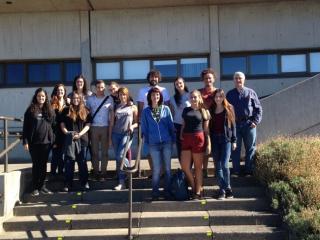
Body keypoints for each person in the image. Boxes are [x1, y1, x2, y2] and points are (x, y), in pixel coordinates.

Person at [141, 87, 175, 201]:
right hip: (153, 144)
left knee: (168, 169)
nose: (155, 97)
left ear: (160, 97)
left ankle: (168, 192)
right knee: (156, 169)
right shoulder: (146, 111)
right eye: (153, 95)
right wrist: (148, 142)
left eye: (157, 95)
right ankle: (155, 193)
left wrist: (172, 139)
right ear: (149, 97)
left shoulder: (165, 108)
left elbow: (171, 125)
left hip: (166, 142)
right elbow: (144, 128)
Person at [226, 72, 263, 176]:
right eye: (236, 78)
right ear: (233, 80)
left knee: (250, 148)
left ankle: (248, 171)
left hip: (249, 124)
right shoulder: (230, 94)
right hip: (235, 125)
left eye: (240, 78)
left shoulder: (251, 92)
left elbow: (258, 109)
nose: (238, 80)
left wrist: (255, 121)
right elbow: (227, 111)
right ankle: (236, 171)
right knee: (235, 148)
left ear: (244, 79)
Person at [137, 70, 170, 176]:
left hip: (162, 125)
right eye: (151, 77)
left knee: (163, 150)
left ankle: (163, 172)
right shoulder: (143, 91)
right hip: (148, 124)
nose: (153, 79)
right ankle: (154, 171)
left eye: (155, 77)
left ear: (158, 78)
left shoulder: (164, 90)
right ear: (149, 78)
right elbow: (140, 108)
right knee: (149, 150)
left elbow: (168, 107)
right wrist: (141, 124)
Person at [23, 88, 55, 196]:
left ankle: (42, 187)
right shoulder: (31, 110)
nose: (41, 98)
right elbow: (25, 127)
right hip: (34, 143)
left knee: (44, 165)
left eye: (43, 96)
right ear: (36, 97)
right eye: (39, 96)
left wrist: (53, 139)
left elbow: (53, 125)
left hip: (46, 143)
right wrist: (25, 141)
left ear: (45, 98)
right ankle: (35, 188)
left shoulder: (49, 110)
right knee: (36, 165)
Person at [180, 90, 210, 199]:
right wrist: (181, 134)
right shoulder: (186, 110)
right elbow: (183, 124)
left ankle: (197, 192)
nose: (193, 99)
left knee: (198, 167)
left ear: (199, 98)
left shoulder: (204, 111)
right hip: (186, 138)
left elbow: (206, 130)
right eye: (191, 97)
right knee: (185, 166)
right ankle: (194, 186)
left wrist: (208, 144)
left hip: (198, 138)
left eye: (195, 97)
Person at [60, 92, 91, 192]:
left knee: (82, 162)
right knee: (69, 162)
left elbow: (88, 125)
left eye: (77, 98)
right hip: (69, 140)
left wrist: (80, 134)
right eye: (73, 98)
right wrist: (67, 133)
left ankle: (84, 183)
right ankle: (68, 184)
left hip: (82, 140)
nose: (76, 99)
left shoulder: (86, 110)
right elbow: (62, 124)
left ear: (80, 99)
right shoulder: (65, 110)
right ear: (71, 99)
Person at [210, 89, 237, 200]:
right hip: (215, 140)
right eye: (216, 97)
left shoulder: (229, 108)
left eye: (220, 96)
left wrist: (234, 140)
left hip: (226, 139)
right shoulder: (211, 109)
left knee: (225, 165)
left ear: (223, 97)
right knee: (218, 166)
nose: (218, 99)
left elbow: (233, 125)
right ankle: (222, 190)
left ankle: (228, 189)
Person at [110, 87, 138, 190]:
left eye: (124, 94)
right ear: (118, 95)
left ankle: (131, 168)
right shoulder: (115, 107)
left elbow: (137, 122)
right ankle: (121, 183)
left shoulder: (133, 107)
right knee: (118, 159)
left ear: (127, 95)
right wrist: (109, 137)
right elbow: (112, 123)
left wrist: (132, 127)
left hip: (127, 134)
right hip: (115, 134)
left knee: (120, 155)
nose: (122, 96)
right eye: (121, 94)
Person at [86, 80, 113, 180]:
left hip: (105, 128)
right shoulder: (90, 99)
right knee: (95, 152)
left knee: (105, 153)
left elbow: (112, 114)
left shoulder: (109, 99)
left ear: (104, 88)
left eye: (102, 87)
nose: (100, 89)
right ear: (95, 88)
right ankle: (96, 173)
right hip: (94, 128)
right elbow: (85, 112)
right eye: (98, 87)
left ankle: (103, 173)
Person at [198, 68, 217, 177]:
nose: (208, 80)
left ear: (213, 79)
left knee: (215, 149)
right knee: (205, 148)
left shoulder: (218, 92)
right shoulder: (199, 92)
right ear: (203, 80)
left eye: (210, 78)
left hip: (216, 123)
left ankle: (216, 170)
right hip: (203, 124)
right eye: (206, 78)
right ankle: (204, 170)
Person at [170, 77, 190, 162]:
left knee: (189, 148)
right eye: (177, 84)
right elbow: (172, 113)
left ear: (184, 83)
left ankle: (189, 169)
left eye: (180, 83)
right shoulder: (173, 98)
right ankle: (183, 170)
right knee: (180, 149)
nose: (179, 85)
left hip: (189, 125)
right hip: (177, 125)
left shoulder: (190, 95)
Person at [50, 83, 68, 176]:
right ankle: (53, 173)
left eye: (62, 90)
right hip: (55, 132)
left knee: (63, 154)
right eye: (58, 90)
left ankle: (61, 172)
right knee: (55, 154)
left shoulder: (67, 102)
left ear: (64, 92)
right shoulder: (52, 103)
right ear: (56, 91)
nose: (60, 91)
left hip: (65, 131)